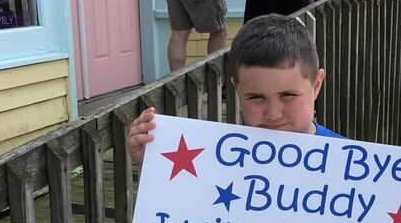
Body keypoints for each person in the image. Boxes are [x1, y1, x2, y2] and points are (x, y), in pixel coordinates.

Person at [127, 14, 343, 165]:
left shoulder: (349, 162)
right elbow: (185, 206)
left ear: (316, 85)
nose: (273, 114)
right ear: (237, 90)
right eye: (256, 97)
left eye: (287, 95)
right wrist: (152, 165)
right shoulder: (215, 158)